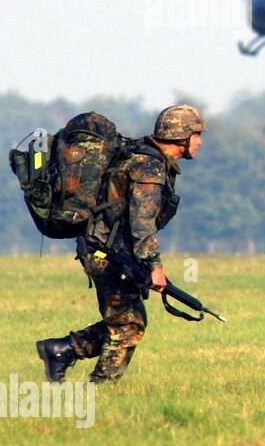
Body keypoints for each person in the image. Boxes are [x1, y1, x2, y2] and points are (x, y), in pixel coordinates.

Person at [36, 105, 206, 384]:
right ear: (181, 136)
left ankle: (61, 349)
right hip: (107, 253)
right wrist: (154, 266)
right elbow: (142, 222)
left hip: (107, 250)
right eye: (197, 135)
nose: (200, 142)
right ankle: (101, 388)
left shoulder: (145, 157)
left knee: (127, 322)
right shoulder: (149, 167)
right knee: (127, 326)